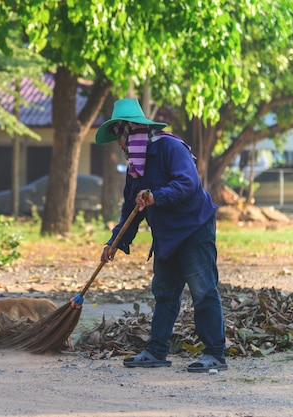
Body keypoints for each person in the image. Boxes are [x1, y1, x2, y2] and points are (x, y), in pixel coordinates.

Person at [95, 98, 227, 373]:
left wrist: (155, 195)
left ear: (129, 132)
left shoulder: (170, 147)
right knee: (165, 293)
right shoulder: (136, 167)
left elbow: (188, 184)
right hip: (166, 236)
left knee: (203, 292)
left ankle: (215, 354)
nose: (119, 146)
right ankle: (156, 351)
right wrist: (115, 242)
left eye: (119, 138)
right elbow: (132, 209)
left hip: (193, 229)